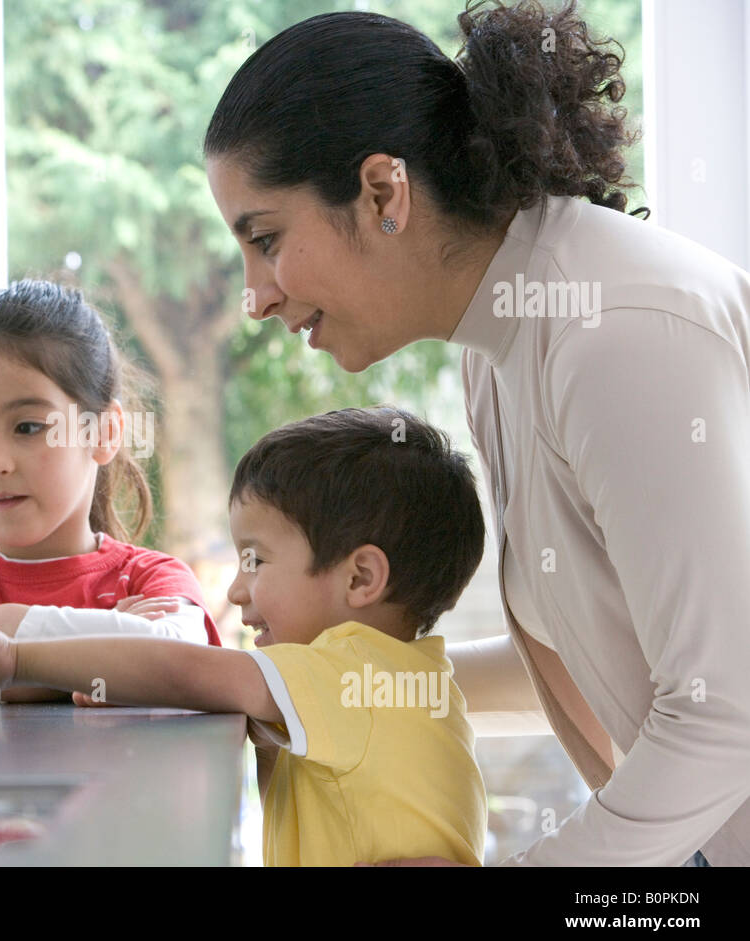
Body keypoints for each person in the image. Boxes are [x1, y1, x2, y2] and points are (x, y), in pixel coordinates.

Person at [201, 1, 750, 865]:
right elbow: (585, 651)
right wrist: (317, 689)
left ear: (384, 192)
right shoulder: (497, 346)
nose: (256, 294)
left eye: (266, 239)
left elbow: (725, 715)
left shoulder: (614, 333)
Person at [0, 406, 489, 866]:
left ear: (360, 577)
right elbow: (191, 686)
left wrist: (17, 658)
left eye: (257, 560)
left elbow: (187, 669)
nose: (237, 591)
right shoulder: (402, 675)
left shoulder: (349, 672)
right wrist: (122, 679)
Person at [0, 279, 221, 702]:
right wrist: (102, 654)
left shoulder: (151, 578)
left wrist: (9, 627)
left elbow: (184, 657)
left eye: (27, 427)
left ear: (104, 432)